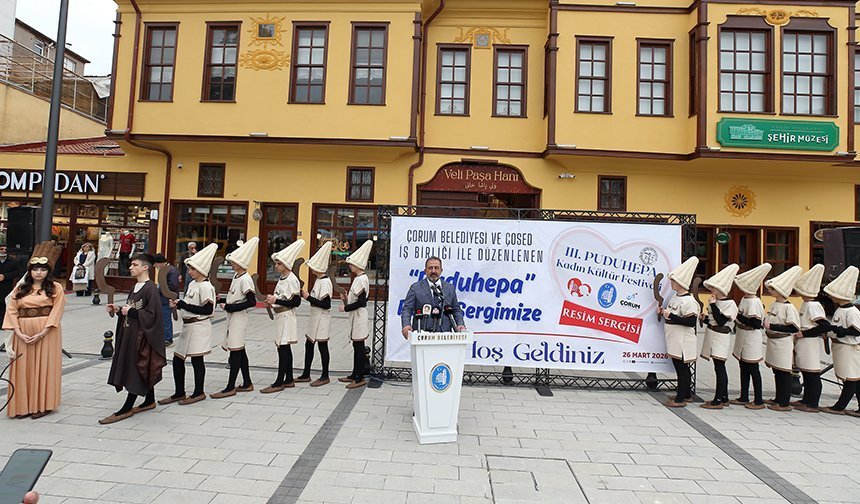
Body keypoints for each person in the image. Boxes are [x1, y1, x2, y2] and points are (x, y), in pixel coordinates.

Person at [100, 253, 166, 424]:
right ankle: (149, 400)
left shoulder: (150, 288)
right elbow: (132, 309)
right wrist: (119, 309)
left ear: (145, 267)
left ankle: (127, 407)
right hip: (130, 334)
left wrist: (130, 311)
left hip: (141, 338)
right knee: (136, 366)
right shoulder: (135, 286)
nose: (130, 267)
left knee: (137, 368)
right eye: (131, 265)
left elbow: (153, 315)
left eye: (134, 265)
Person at [3, 256, 66, 419]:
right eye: (35, 269)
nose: (39, 273)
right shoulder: (21, 288)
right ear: (29, 271)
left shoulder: (55, 287)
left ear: (48, 271)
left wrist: (42, 333)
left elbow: (57, 311)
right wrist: (17, 332)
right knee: (24, 367)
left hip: (47, 332)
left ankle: (44, 404)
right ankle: (22, 405)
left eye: (43, 269)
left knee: (45, 365)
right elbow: (12, 310)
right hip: (22, 332)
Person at [158, 243, 218, 406]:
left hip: (199, 327)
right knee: (178, 360)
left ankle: (199, 392)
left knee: (197, 360)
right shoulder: (192, 284)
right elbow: (189, 302)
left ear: (201, 270)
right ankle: (179, 392)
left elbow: (207, 309)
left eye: (192, 269)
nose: (189, 272)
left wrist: (183, 305)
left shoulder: (206, 287)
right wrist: (178, 304)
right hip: (187, 327)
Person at [211, 238, 259, 399]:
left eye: (233, 262)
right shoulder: (237, 276)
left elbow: (251, 301)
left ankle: (230, 386)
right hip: (233, 316)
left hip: (238, 318)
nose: (231, 264)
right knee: (240, 349)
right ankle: (247, 382)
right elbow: (235, 297)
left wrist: (230, 306)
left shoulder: (245, 279)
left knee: (235, 351)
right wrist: (222, 300)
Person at [262, 239, 304, 393]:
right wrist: (272, 302)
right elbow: (281, 297)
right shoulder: (282, 279)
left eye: (278, 263)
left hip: (286, 316)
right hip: (281, 316)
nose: (276, 266)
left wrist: (276, 300)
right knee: (283, 348)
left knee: (284, 348)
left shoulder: (292, 279)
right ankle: (289, 378)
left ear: (286, 265)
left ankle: (280, 381)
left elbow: (296, 301)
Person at [658, 257, 700, 408]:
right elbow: (671, 313)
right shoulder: (676, 297)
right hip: (675, 338)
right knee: (679, 367)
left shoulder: (689, 301)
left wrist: (671, 316)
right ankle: (685, 393)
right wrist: (663, 312)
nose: (671, 283)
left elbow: (691, 322)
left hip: (683, 340)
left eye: (674, 281)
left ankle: (681, 398)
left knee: (682, 369)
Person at [730, 263, 772, 410]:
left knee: (753, 368)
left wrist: (739, 317)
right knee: (743, 366)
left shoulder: (754, 302)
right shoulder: (745, 299)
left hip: (750, 337)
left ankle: (758, 399)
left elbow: (755, 323)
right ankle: (744, 395)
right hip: (742, 335)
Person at [821, 266, 860, 416]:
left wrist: (839, 331)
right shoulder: (841, 309)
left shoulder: (852, 312)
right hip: (841, 347)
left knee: (850, 378)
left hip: (849, 348)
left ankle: (840, 406)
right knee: (852, 378)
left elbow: (856, 330)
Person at [699, 263, 739, 410]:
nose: (711, 290)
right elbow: (712, 319)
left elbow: (722, 320)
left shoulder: (730, 304)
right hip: (712, 334)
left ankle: (718, 399)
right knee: (718, 366)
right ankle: (724, 396)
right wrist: (704, 318)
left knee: (720, 366)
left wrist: (714, 306)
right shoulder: (715, 301)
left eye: (714, 288)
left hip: (721, 336)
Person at [763, 266, 803, 412]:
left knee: (784, 372)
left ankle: (784, 402)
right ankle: (778, 397)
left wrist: (772, 326)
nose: (770, 291)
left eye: (772, 289)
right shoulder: (775, 304)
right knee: (777, 371)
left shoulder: (789, 308)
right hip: (773, 342)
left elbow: (793, 328)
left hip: (783, 342)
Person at [400, 256, 466, 337]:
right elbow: (407, 309)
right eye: (430, 268)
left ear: (441, 270)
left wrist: (460, 324)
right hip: (422, 335)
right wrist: (406, 325)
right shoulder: (415, 288)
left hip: (445, 335)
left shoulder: (449, 288)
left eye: (436, 268)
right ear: (425, 271)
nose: (433, 271)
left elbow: (456, 309)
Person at [792, 264, 827, 413]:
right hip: (804, 342)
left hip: (809, 342)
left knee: (812, 373)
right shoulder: (807, 304)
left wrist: (804, 334)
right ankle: (807, 399)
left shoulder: (813, 306)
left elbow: (823, 325)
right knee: (806, 371)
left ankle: (813, 403)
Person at [339, 240, 374, 389]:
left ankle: (359, 378)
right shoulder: (359, 278)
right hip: (356, 316)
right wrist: (347, 299)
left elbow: (361, 302)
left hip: (359, 316)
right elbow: (357, 299)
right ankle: (355, 374)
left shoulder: (361, 279)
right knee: (356, 345)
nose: (350, 266)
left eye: (352, 264)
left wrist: (345, 308)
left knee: (359, 347)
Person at [298, 242, 334, 387]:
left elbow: (326, 304)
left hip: (321, 318)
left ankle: (325, 375)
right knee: (309, 344)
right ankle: (306, 373)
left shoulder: (325, 282)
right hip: (314, 317)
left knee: (322, 346)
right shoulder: (319, 280)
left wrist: (308, 298)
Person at [154, 254, 180, 346]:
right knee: (161, 318)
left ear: (161, 263)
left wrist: (159, 290)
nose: (155, 266)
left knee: (166, 319)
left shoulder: (172, 271)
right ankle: (162, 337)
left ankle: (168, 339)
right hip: (162, 298)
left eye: (156, 263)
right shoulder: (164, 270)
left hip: (167, 299)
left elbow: (172, 285)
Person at [0, 243, 20, 317]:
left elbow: (17, 272)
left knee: (4, 305)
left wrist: (5, 276)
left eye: (5, 249)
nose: (3, 251)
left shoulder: (14, 261)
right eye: (1, 249)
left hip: (6, 287)